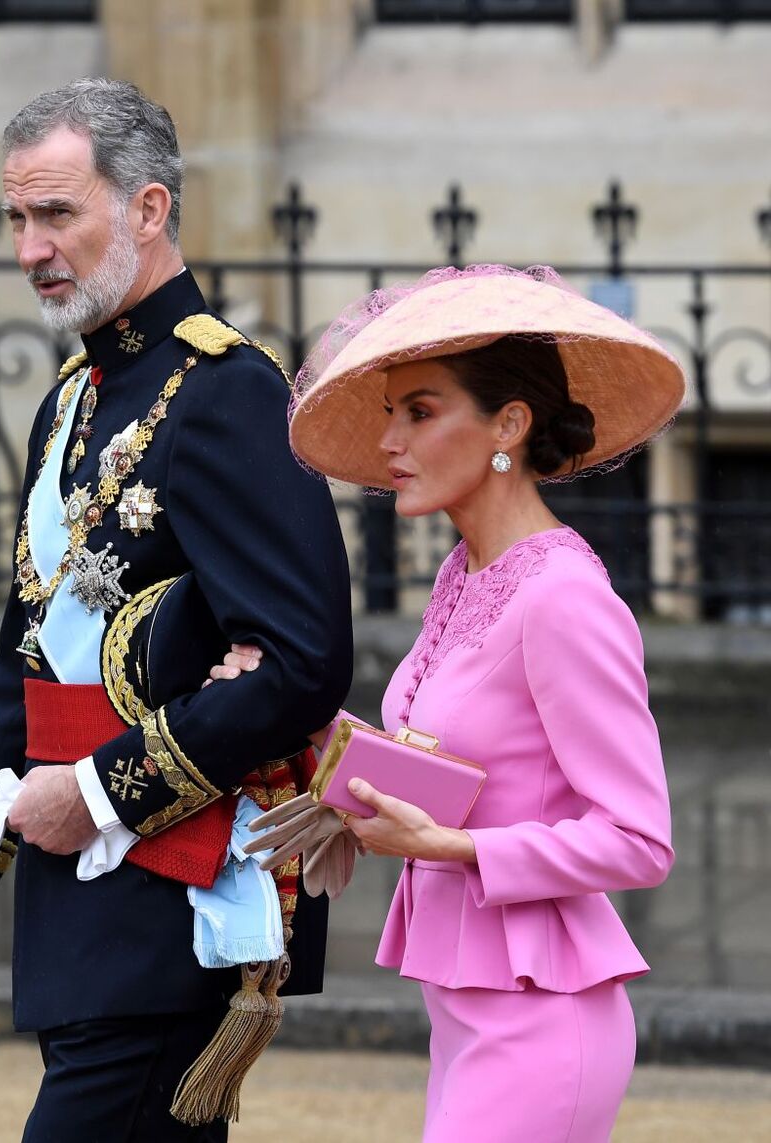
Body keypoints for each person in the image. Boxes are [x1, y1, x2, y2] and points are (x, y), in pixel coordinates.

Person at [0, 77, 352, 1143]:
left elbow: (303, 662)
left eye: (57, 214)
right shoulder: (73, 400)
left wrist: (97, 792)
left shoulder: (227, 393)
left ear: (146, 209)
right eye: (17, 218)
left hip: (169, 899)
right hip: (74, 904)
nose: (30, 248)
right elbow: (25, 675)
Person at [212, 265, 684, 1142]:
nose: (391, 439)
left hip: (545, 1021)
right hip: (472, 1010)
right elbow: (456, 757)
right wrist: (299, 722)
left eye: (419, 411)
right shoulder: (465, 574)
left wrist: (451, 847)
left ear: (509, 424)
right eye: (392, 411)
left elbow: (639, 836)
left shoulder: (564, 597)